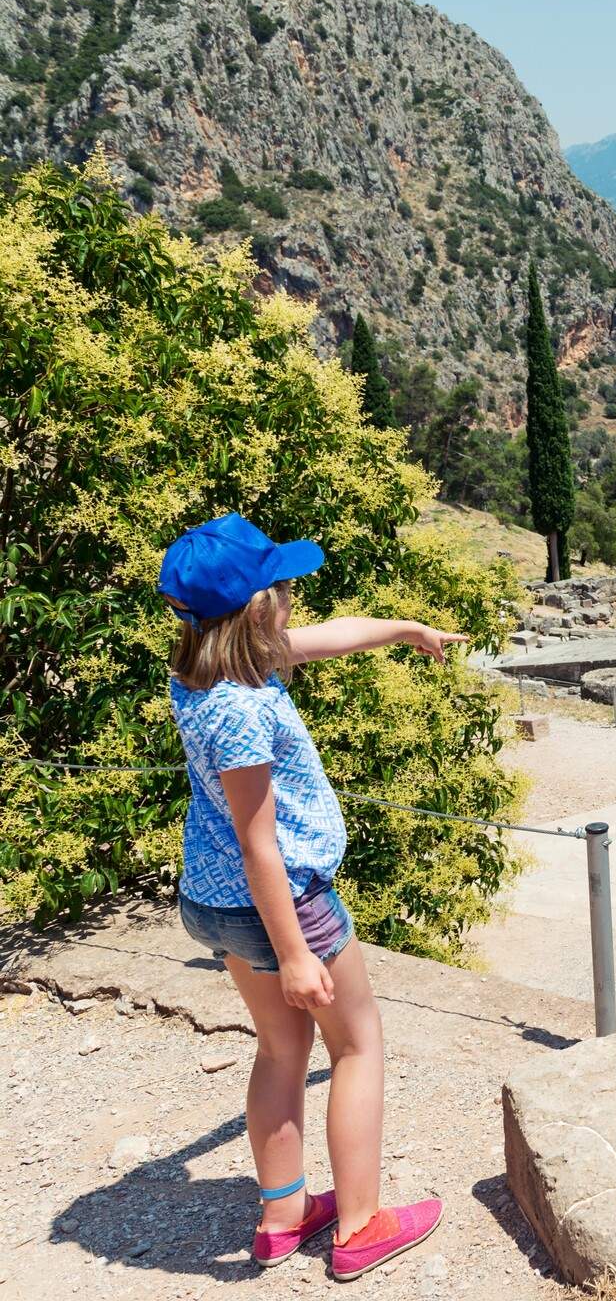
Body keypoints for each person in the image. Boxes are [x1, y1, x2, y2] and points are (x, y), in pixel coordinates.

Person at [160, 513, 463, 1280]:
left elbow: (330, 635)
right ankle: (360, 1226)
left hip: (215, 901)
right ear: (260, 609)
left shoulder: (203, 673)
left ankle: (282, 1216)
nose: (296, 598)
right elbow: (260, 842)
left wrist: (405, 628)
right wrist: (295, 955)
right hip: (283, 906)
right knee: (357, 1046)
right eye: (285, 587)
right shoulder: (247, 709)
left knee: (279, 1049)